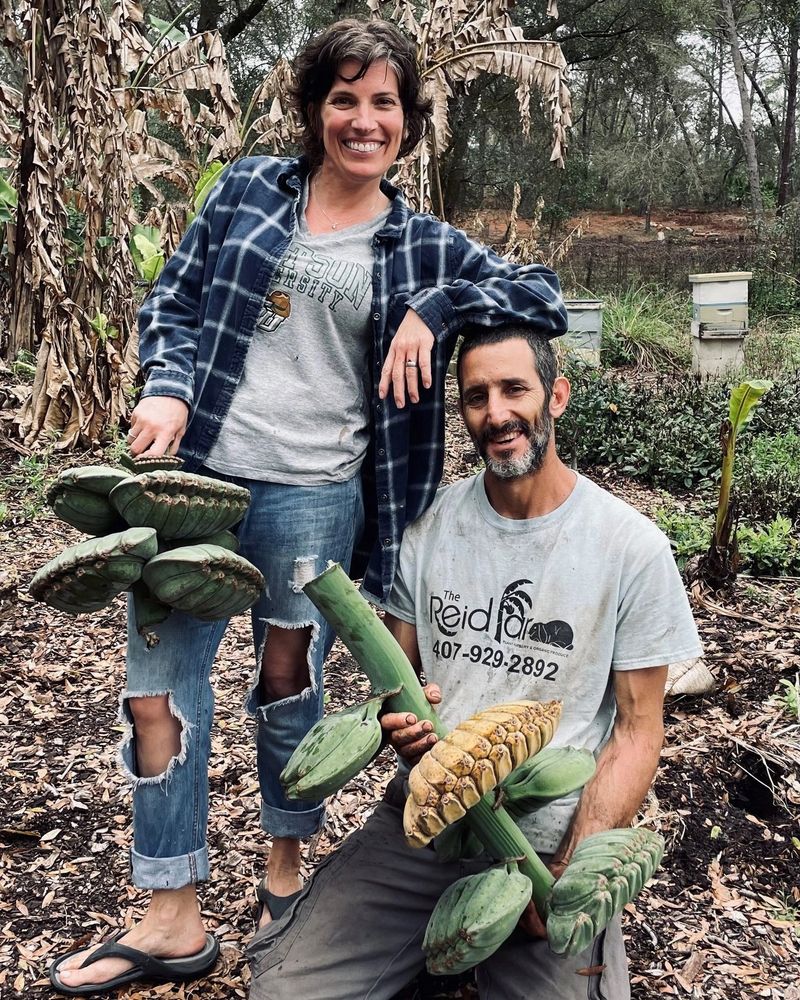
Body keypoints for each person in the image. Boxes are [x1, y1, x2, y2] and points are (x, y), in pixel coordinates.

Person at [48, 18, 568, 997]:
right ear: (315, 109)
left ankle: (289, 873)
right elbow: (176, 297)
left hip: (315, 495)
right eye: (344, 98)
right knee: (154, 690)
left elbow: (538, 293)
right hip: (191, 487)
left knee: (289, 684)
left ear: (407, 123)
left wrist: (436, 307)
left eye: (384, 103)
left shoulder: (422, 243)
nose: (362, 119)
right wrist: (165, 383)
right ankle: (170, 912)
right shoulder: (247, 189)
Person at [246, 324, 703, 1000]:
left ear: (557, 397)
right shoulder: (430, 526)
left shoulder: (629, 547)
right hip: (428, 820)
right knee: (285, 992)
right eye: (476, 396)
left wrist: (567, 877)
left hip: (545, 842)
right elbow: (393, 680)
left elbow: (638, 731)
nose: (496, 413)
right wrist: (395, 723)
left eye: (514, 389)